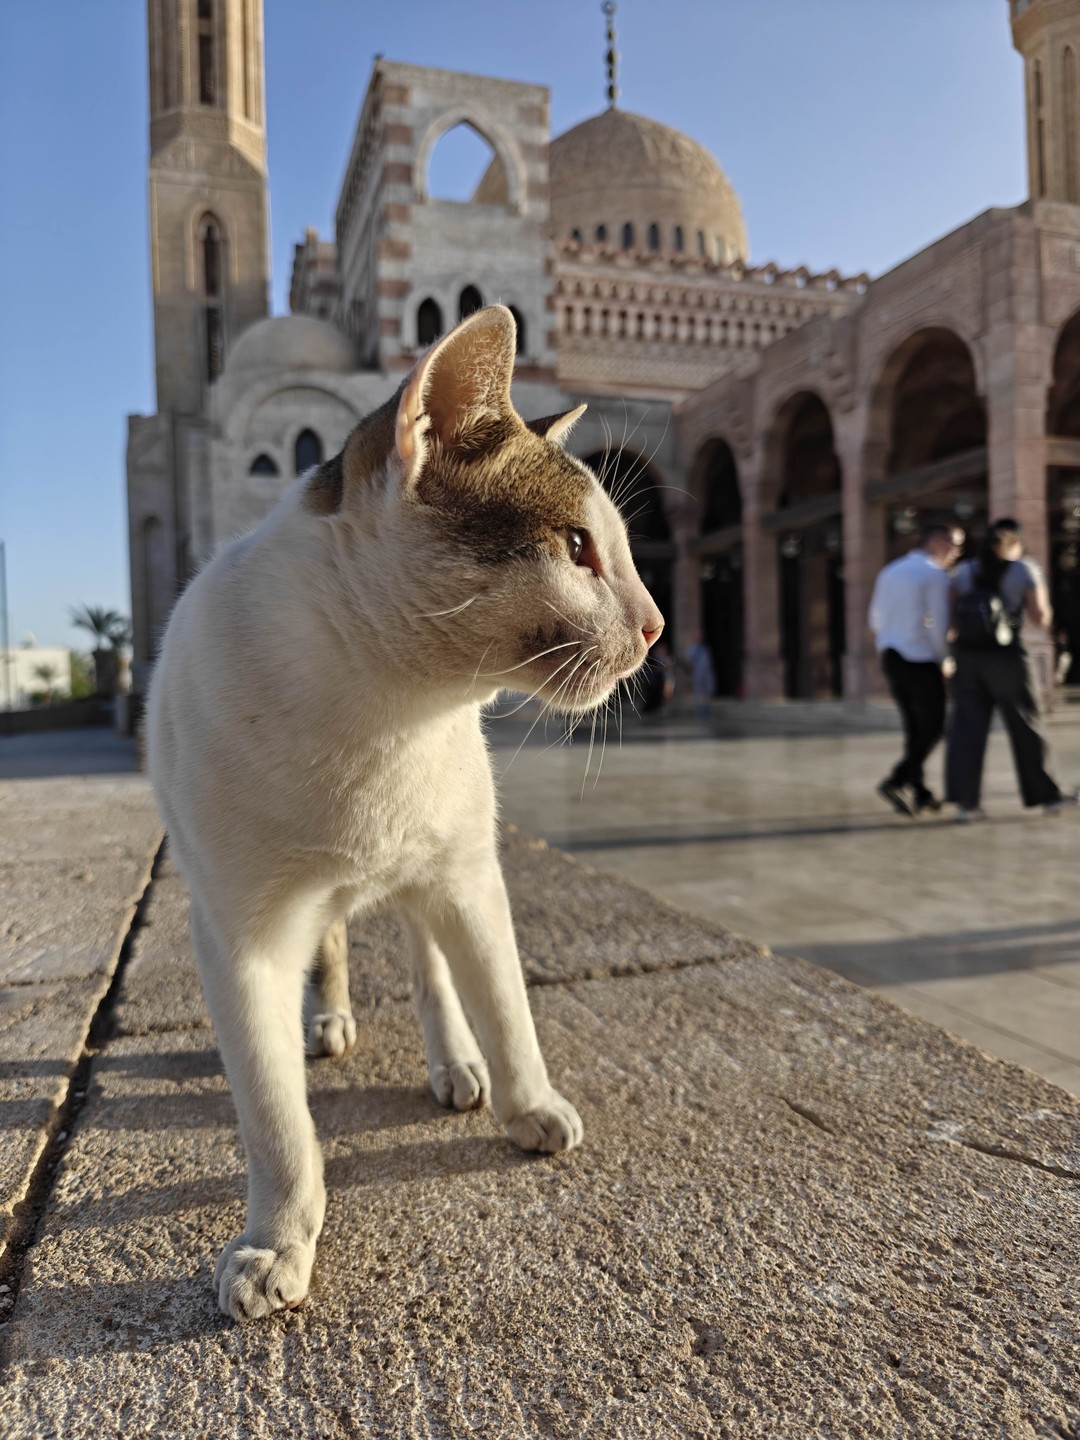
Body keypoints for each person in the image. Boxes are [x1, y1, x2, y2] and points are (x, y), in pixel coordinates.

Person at [945, 517, 1077, 820]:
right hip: (1007, 656)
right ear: (1015, 542)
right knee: (1026, 725)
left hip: (968, 657)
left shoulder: (964, 571)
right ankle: (1046, 796)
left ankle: (967, 804)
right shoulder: (1024, 569)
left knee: (967, 729)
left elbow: (951, 617)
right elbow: (1040, 617)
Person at [868, 522, 964, 816]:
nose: (957, 553)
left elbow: (874, 617)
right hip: (919, 657)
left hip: (890, 654)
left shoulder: (890, 570)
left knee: (914, 728)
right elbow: (938, 621)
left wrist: (887, 641)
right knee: (934, 726)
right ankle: (897, 780)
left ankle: (920, 792)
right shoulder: (934, 574)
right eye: (954, 544)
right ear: (936, 541)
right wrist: (944, 658)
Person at [685, 634, 716, 721]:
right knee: (698, 694)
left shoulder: (705, 649)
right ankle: (699, 711)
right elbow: (689, 661)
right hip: (697, 674)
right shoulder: (693, 649)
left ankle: (707, 710)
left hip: (706, 674)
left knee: (707, 693)